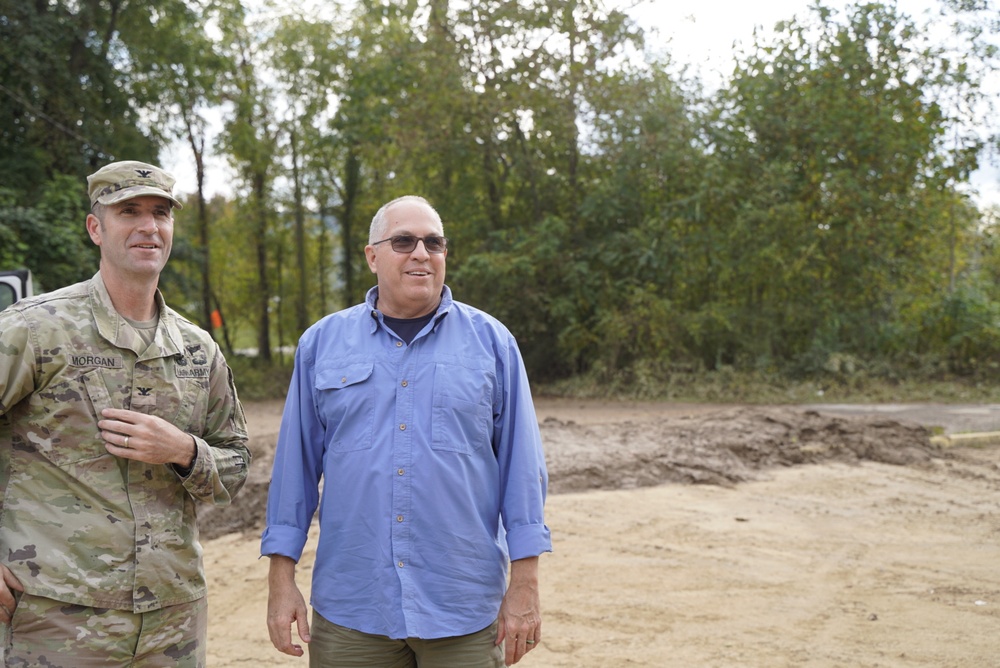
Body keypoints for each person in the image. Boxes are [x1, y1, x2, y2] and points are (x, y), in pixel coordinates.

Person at [262, 195, 551, 667]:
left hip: (464, 608)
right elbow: (294, 471)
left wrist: (526, 583)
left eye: (434, 242)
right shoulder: (321, 344)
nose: (421, 253)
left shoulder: (493, 344)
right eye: (404, 241)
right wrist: (281, 580)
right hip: (353, 607)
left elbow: (523, 471)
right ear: (372, 256)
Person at [0, 160, 251, 667]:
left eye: (160, 213)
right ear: (97, 227)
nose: (148, 226)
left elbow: (238, 463)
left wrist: (183, 451)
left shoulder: (197, 350)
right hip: (57, 616)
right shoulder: (36, 330)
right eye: (128, 211)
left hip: (172, 619)